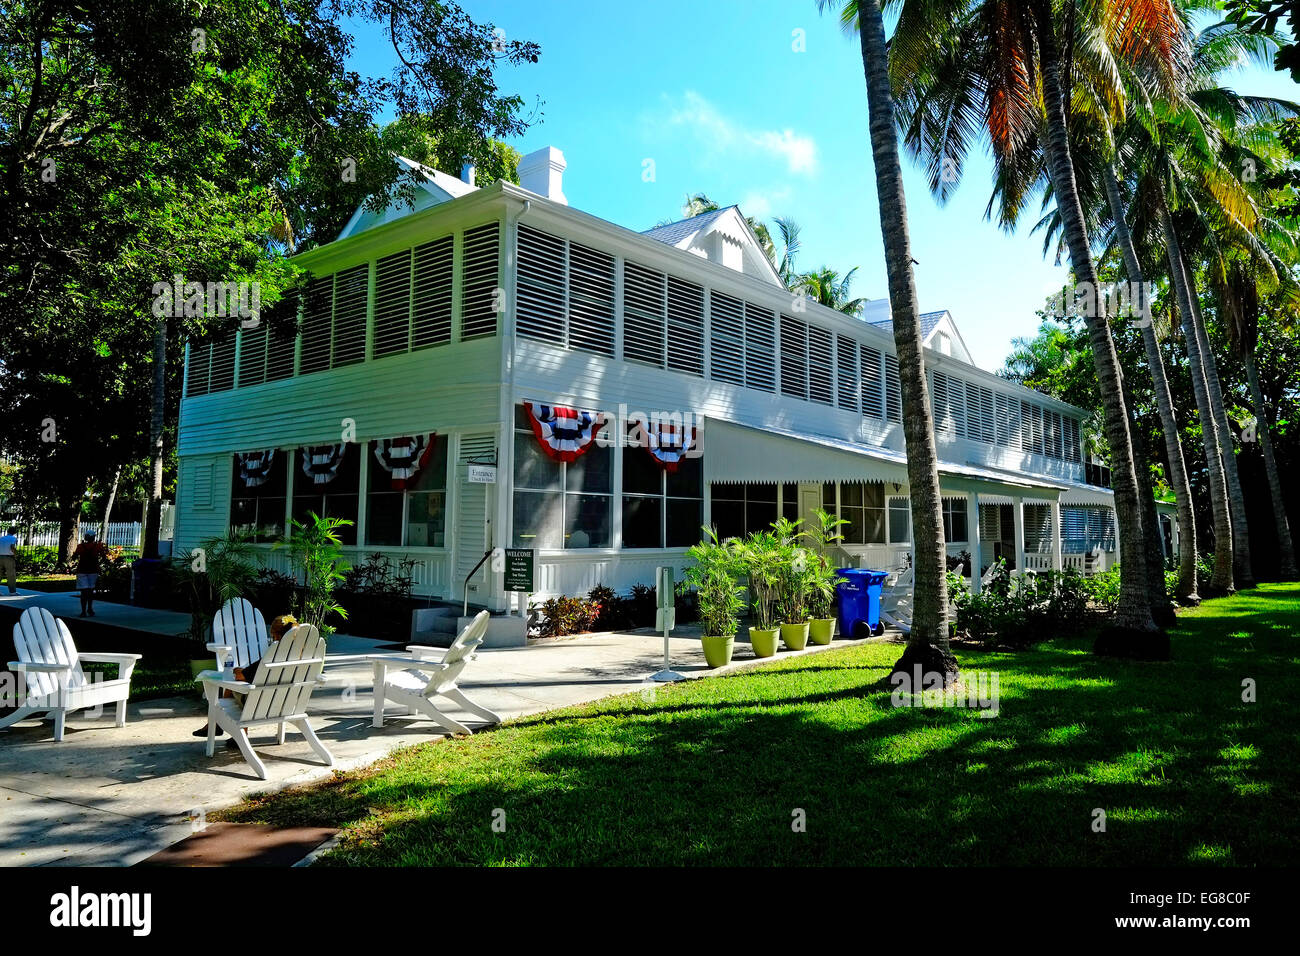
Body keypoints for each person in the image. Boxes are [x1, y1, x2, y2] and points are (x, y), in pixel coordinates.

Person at [70, 529, 108, 617]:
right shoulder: (98, 546)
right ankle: (90, 609)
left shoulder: (80, 546)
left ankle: (83, 611)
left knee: (84, 592)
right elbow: (103, 557)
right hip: (93, 570)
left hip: (82, 570)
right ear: (94, 537)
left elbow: (74, 557)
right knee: (91, 591)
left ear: (85, 537)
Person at [0, 526, 18, 595]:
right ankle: (12, 592)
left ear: (8, 531)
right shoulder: (13, 538)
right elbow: (12, 547)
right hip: (8, 557)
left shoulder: (1, 538)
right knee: (11, 575)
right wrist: (16, 555)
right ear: (15, 532)